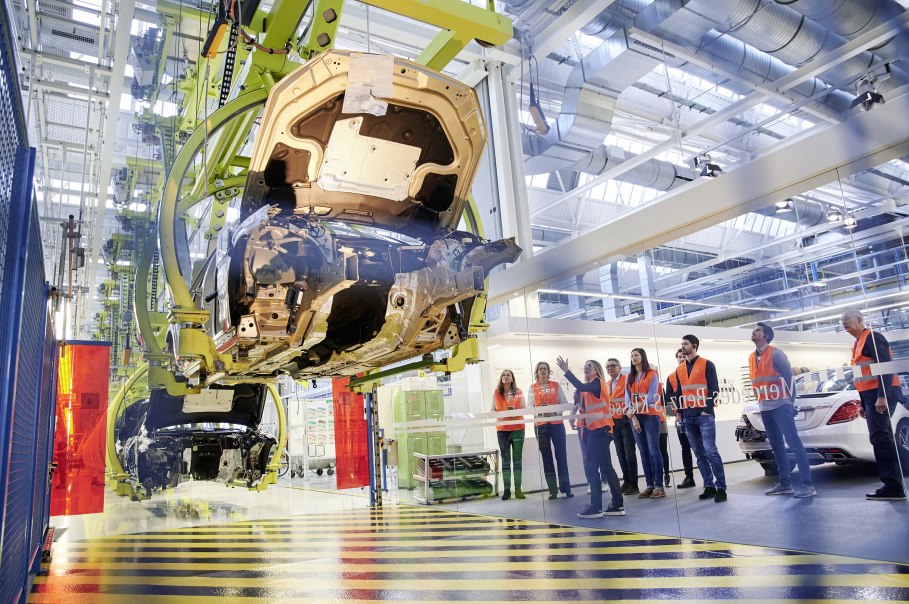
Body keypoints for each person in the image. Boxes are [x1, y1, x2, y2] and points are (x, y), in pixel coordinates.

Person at [841, 309, 907, 501]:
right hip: (871, 396)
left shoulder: (872, 337)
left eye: (847, 319)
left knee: (880, 437)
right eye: (841, 321)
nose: (843, 323)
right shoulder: (858, 343)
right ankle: (893, 484)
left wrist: (882, 396)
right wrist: (864, 403)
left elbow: (885, 368)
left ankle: (893, 486)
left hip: (882, 393)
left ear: (859, 319)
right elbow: (863, 377)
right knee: (881, 437)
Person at [749, 322, 816, 498]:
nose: (753, 332)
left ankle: (807, 485)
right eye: (754, 330)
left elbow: (789, 379)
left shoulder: (776, 354)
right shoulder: (751, 357)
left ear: (766, 336)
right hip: (765, 406)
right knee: (776, 446)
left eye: (757, 330)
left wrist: (791, 402)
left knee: (794, 443)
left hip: (781, 405)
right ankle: (785, 483)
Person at [556, 356, 624, 518]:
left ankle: (596, 507)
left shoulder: (597, 383)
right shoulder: (589, 387)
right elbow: (581, 403)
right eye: (585, 365)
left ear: (597, 370)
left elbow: (580, 386)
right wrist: (574, 416)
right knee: (606, 467)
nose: (587, 367)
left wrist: (566, 371)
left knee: (590, 466)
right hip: (597, 430)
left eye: (590, 366)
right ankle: (617, 505)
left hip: (599, 430)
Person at [675, 334, 727, 503]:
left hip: (704, 416)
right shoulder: (679, 369)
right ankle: (709, 486)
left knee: (711, 451)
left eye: (686, 344)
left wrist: (707, 410)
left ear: (694, 345)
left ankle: (721, 488)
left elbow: (714, 388)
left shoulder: (707, 364)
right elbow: (679, 393)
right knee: (699, 454)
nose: (683, 346)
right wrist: (679, 414)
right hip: (688, 417)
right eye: (682, 344)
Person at [528, 362, 573, 500]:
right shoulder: (532, 388)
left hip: (557, 424)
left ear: (549, 372)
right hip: (540, 426)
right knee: (546, 457)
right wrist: (540, 413)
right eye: (540, 369)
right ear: (537, 372)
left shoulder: (556, 385)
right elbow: (530, 406)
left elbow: (564, 403)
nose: (543, 371)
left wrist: (554, 412)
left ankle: (566, 488)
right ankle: (552, 491)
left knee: (561, 456)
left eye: (545, 369)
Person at [625, 348, 666, 500]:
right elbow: (627, 399)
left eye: (636, 355)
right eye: (632, 356)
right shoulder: (629, 377)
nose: (633, 358)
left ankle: (659, 486)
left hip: (650, 416)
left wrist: (637, 408)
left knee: (654, 451)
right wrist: (633, 418)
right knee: (643, 452)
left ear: (642, 357)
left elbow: (652, 396)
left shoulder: (652, 374)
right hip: (636, 418)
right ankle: (650, 485)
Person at [490, 369, 525, 500]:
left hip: (517, 429)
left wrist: (514, 413)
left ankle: (518, 490)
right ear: (501, 378)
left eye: (508, 375)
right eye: (503, 375)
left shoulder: (519, 392)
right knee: (505, 461)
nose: (505, 376)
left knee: (517, 461)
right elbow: (491, 410)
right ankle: (506, 491)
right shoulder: (496, 392)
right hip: (502, 430)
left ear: (512, 378)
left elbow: (524, 408)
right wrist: (499, 415)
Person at [605, 358, 639, 495]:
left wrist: (631, 415)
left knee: (629, 453)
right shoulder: (608, 384)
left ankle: (633, 484)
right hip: (614, 422)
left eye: (613, 366)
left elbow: (631, 398)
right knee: (620, 453)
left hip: (626, 420)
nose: (610, 368)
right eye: (608, 366)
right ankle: (626, 481)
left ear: (619, 367)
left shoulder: (626, 379)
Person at [665, 348, 696, 489]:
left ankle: (708, 478)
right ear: (676, 359)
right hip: (681, 416)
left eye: (683, 356)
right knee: (685, 447)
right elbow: (669, 399)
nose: (681, 359)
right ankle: (689, 477)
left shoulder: (695, 372)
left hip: (696, 414)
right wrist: (677, 413)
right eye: (679, 357)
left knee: (701, 447)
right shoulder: (672, 377)